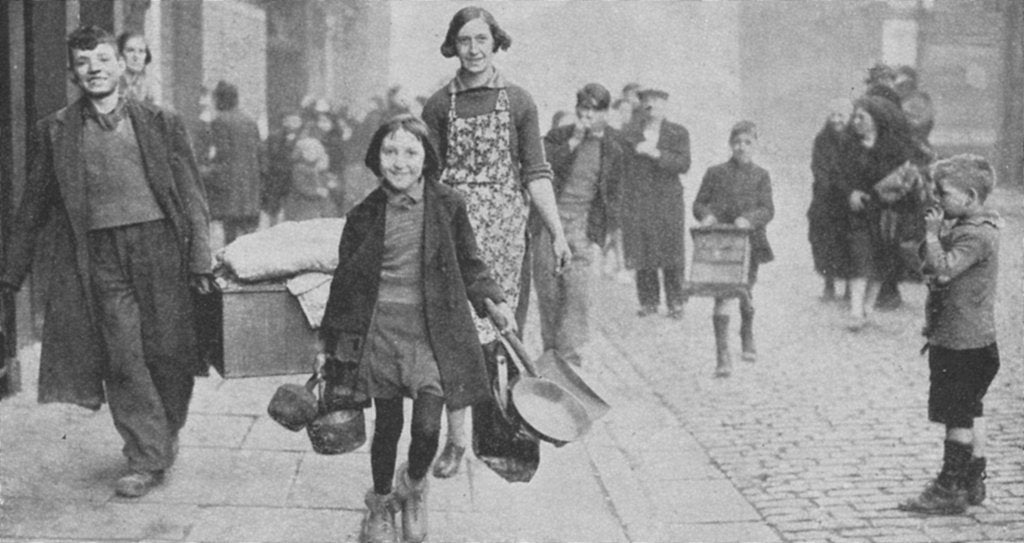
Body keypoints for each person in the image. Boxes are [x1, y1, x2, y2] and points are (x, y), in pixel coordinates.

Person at [0, 26, 213, 498]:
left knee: (169, 353)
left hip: (160, 249)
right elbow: (32, 206)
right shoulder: (55, 131)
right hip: (99, 256)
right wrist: (10, 275)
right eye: (83, 62)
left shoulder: (161, 121)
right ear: (72, 73)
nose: (94, 68)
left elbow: (191, 193)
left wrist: (201, 258)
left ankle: (164, 430)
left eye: (102, 58)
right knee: (122, 355)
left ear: (121, 64)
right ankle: (145, 455)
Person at [319, 115, 515, 543]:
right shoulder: (363, 214)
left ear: (427, 158)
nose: (400, 161)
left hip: (433, 333)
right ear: (377, 157)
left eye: (411, 152)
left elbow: (471, 263)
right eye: (390, 151)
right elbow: (345, 282)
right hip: (382, 333)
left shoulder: (448, 205)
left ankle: (413, 486)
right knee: (387, 427)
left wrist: (494, 301)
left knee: (427, 428)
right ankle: (380, 505)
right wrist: (329, 344)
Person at [421, 5, 571, 479]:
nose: (473, 50)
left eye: (481, 39)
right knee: (454, 337)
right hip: (454, 233)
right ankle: (456, 440)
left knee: (503, 332)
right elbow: (427, 179)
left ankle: (502, 436)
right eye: (464, 41)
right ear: (453, 46)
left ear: (495, 42)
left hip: (507, 235)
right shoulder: (438, 106)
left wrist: (557, 232)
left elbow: (536, 173)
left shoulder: (520, 102)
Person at [898, 155, 1001, 515]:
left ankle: (949, 488)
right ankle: (972, 480)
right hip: (971, 341)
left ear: (970, 196)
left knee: (957, 415)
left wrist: (931, 235)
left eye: (943, 193)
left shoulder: (974, 234)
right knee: (970, 410)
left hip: (962, 343)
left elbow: (942, 271)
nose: (937, 199)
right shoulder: (975, 227)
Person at [534, 83, 626, 367]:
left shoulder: (613, 148)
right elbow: (539, 169)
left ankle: (569, 360)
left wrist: (604, 234)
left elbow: (615, 195)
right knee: (549, 295)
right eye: (583, 109)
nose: (587, 115)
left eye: (594, 111)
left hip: (583, 228)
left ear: (605, 114)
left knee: (577, 297)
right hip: (550, 225)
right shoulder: (558, 137)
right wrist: (572, 142)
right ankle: (550, 356)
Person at [693, 121, 774, 377]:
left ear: (756, 145)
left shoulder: (761, 175)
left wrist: (749, 219)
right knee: (722, 294)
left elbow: (767, 209)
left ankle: (746, 333)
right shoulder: (715, 173)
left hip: (751, 242)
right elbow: (699, 204)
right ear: (730, 144)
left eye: (748, 142)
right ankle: (722, 355)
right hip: (721, 242)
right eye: (737, 142)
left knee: (745, 291)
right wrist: (706, 216)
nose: (742, 147)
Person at [837, 95, 912, 331]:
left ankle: (867, 309)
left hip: (886, 213)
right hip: (858, 212)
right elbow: (837, 177)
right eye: (855, 117)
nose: (856, 121)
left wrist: (897, 192)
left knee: (882, 261)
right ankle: (855, 311)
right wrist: (850, 193)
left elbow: (905, 177)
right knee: (859, 259)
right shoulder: (848, 146)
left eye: (862, 117)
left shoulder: (893, 148)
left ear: (876, 120)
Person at [620, 88, 692, 319]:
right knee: (643, 249)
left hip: (668, 201)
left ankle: (675, 302)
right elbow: (622, 168)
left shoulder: (678, 132)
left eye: (657, 101)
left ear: (665, 105)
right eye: (647, 101)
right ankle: (648, 301)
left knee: (672, 251)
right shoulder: (629, 133)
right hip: (640, 200)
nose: (651, 105)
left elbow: (684, 163)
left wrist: (656, 154)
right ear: (641, 106)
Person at [204, 81, 266, 246]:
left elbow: (222, 155)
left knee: (230, 236)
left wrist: (207, 171)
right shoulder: (249, 120)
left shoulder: (220, 121)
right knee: (248, 237)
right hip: (250, 186)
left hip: (230, 187)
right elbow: (260, 153)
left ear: (220, 99)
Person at [808, 99, 852, 301]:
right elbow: (818, 167)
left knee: (850, 242)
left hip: (849, 198)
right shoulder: (822, 139)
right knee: (824, 240)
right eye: (833, 115)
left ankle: (851, 287)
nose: (836, 120)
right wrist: (826, 186)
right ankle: (829, 284)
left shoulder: (855, 139)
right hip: (826, 198)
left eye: (841, 115)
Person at [117, 31, 154, 103]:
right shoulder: (114, 84)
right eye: (130, 50)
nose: (136, 56)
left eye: (141, 51)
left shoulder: (145, 86)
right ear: (120, 54)